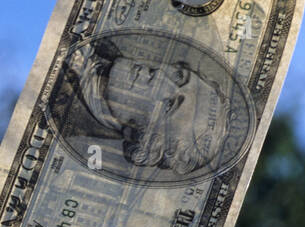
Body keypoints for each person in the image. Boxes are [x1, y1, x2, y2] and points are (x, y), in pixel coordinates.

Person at [67, 40, 230, 177]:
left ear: (146, 140)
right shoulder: (102, 43)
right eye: (179, 76)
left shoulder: (69, 130)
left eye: (169, 105)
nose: (159, 75)